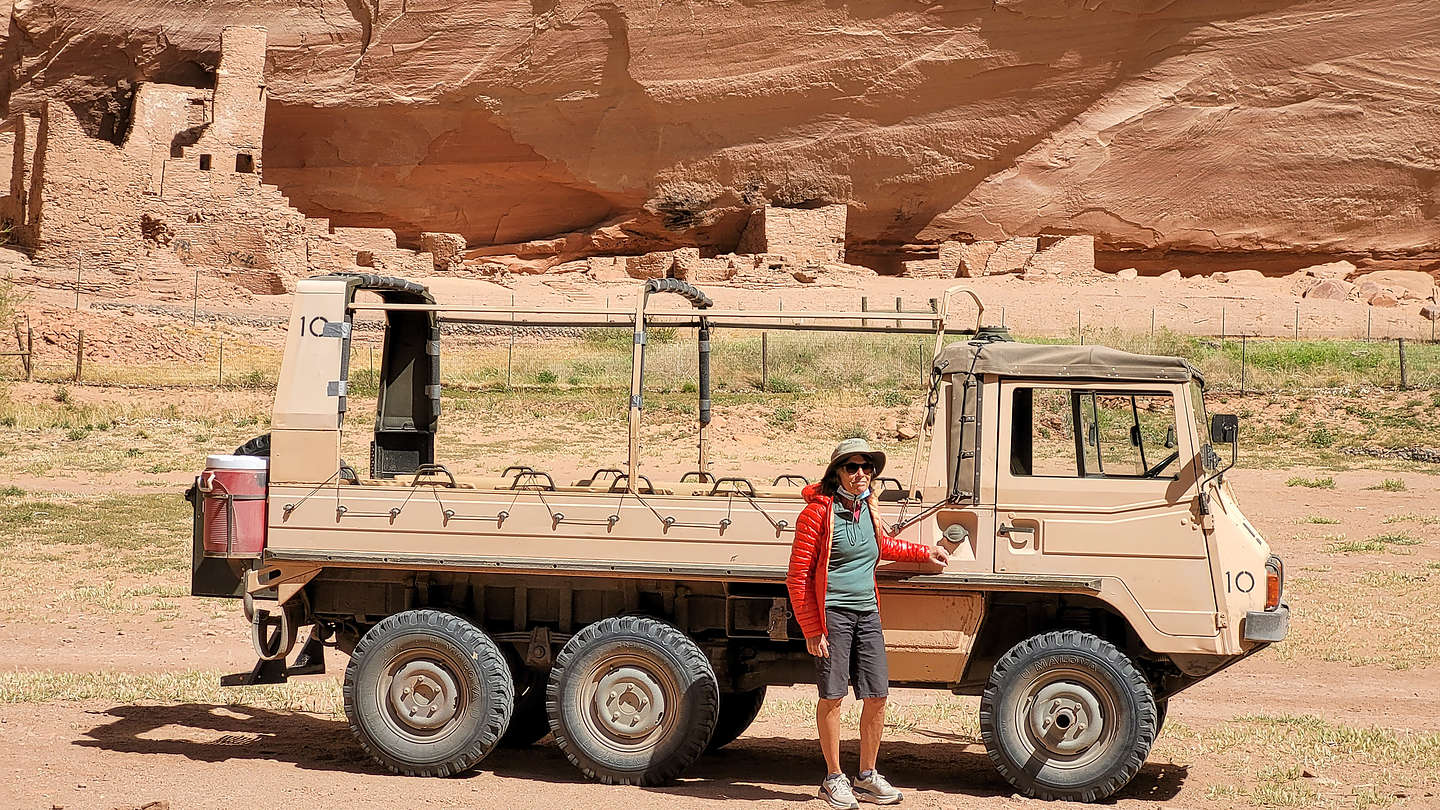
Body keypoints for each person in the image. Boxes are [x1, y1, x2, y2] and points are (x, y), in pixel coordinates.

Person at [785, 438, 950, 808]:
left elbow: (884, 546)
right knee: (832, 695)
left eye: (867, 468)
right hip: (833, 615)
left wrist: (926, 553)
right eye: (852, 467)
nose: (861, 474)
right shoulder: (817, 513)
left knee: (877, 695)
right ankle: (832, 778)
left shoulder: (868, 509)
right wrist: (812, 629)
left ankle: (867, 776)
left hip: (868, 613)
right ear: (836, 473)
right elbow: (797, 577)